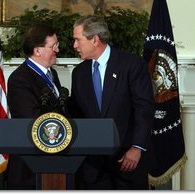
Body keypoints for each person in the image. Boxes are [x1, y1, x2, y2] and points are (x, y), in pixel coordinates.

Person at [69, 15, 155, 190]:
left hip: (127, 159)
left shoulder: (131, 64)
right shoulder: (79, 73)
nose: (74, 46)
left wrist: (137, 148)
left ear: (95, 40)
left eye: (78, 40)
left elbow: (144, 109)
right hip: (92, 166)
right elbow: (77, 114)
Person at [5, 24, 62, 189]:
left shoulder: (52, 74)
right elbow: (31, 120)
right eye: (53, 46)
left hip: (51, 160)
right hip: (30, 167)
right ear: (38, 51)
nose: (57, 50)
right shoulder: (20, 79)